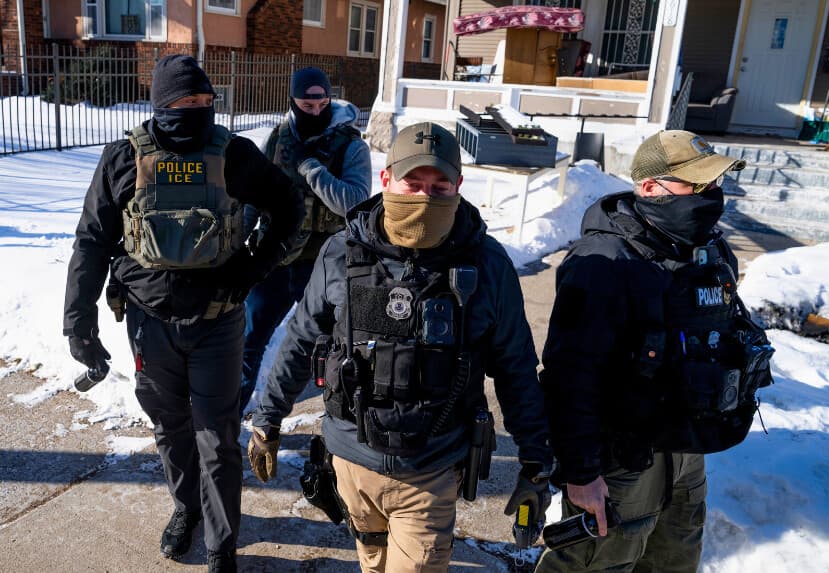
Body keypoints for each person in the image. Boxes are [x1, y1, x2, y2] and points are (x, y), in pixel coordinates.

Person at [247, 122, 554, 572]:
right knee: (372, 561)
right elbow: (301, 339)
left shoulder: (486, 264)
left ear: (458, 186)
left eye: (439, 185)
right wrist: (267, 418)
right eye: (413, 183)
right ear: (387, 179)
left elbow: (516, 368)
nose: (425, 197)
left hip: (430, 471)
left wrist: (535, 461)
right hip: (350, 463)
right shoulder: (341, 251)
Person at [63, 55, 304, 573]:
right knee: (170, 427)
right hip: (149, 324)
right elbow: (92, 241)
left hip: (218, 323)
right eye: (181, 102)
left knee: (217, 436)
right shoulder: (123, 159)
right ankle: (186, 507)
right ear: (159, 105)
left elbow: (290, 207)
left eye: (203, 101)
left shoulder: (234, 155)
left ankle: (221, 542)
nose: (194, 110)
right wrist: (78, 323)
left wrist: (249, 269)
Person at [536, 130, 774, 572]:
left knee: (674, 562)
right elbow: (571, 379)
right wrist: (581, 473)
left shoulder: (710, 249)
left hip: (687, 455)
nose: (712, 196)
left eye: (716, 185)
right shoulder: (606, 263)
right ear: (650, 189)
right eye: (699, 186)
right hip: (622, 462)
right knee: (597, 564)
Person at [239, 66, 371, 415]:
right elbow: (254, 195)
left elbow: (356, 204)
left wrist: (311, 167)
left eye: (321, 104)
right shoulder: (277, 139)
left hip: (326, 264)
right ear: (293, 102)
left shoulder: (351, 145)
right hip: (277, 257)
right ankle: (229, 417)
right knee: (249, 339)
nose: (314, 112)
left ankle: (340, 423)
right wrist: (236, 239)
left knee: (333, 346)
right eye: (306, 106)